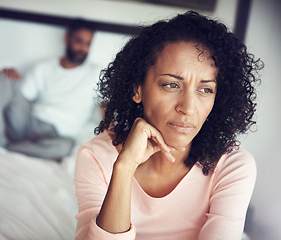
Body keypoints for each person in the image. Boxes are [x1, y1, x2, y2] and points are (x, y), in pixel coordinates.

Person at [74, 11, 263, 239]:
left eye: (205, 89)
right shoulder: (95, 156)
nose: (188, 107)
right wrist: (124, 168)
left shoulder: (233, 165)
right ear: (138, 89)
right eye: (171, 85)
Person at [0, 19, 100, 160]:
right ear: (67, 38)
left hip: (57, 136)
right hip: (29, 123)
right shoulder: (43, 68)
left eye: (88, 43)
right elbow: (21, 98)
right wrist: (11, 77)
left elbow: (107, 103)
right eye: (79, 41)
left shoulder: (96, 73)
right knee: (4, 77)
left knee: (64, 148)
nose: (83, 48)